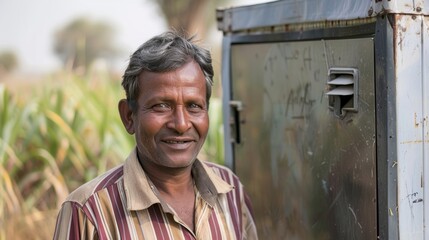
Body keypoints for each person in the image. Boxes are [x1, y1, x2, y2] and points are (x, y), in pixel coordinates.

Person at [53, 31, 258, 240]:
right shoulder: (89, 212)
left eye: (194, 106)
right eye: (161, 106)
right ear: (129, 116)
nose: (181, 124)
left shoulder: (230, 192)